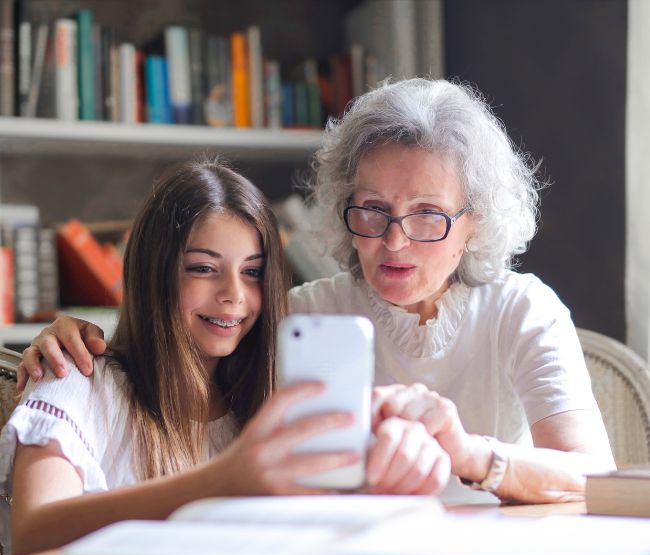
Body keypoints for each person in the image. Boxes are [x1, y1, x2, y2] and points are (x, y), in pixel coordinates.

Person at [18, 79, 614, 506]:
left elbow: (594, 476)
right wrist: (72, 337)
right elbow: (180, 356)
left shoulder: (522, 308)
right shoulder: (300, 316)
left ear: (475, 222)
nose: (394, 242)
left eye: (428, 215)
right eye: (373, 210)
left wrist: (469, 454)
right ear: (342, 205)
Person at [0, 158, 447, 555]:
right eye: (203, 268)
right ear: (154, 273)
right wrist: (221, 481)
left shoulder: (267, 404)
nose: (234, 295)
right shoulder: (75, 379)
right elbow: (34, 535)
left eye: (252, 272)